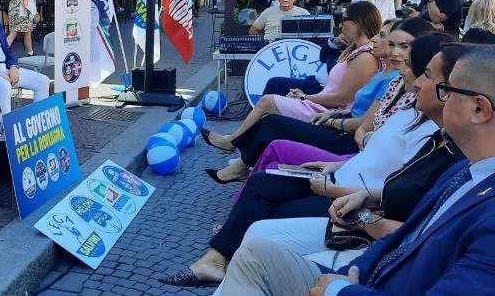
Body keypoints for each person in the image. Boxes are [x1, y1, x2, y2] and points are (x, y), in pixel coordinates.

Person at [206, 45, 495, 296]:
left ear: (479, 110)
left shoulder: (469, 179)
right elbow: (406, 236)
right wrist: (353, 268)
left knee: (260, 241)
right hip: (366, 268)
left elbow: (405, 236)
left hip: (369, 278)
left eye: (445, 88)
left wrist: (341, 288)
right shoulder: (466, 170)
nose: (418, 82)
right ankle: (214, 257)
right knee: (258, 247)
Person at [162, 34, 446, 288]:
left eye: (409, 59)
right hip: (342, 168)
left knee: (273, 146)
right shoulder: (406, 102)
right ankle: (214, 258)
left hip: (344, 185)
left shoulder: (427, 124)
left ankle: (229, 244)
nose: (395, 55)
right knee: (264, 177)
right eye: (389, 41)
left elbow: (397, 191)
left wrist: (337, 174)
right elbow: (369, 136)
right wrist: (338, 164)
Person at [208, 1, 383, 152]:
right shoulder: (355, 50)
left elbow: (342, 98)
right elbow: (328, 63)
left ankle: (233, 143)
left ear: (358, 23)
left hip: (329, 112)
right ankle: (240, 155)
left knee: (267, 103)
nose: (341, 24)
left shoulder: (365, 56)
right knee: (270, 104)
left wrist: (305, 97)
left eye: (344, 19)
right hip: (321, 101)